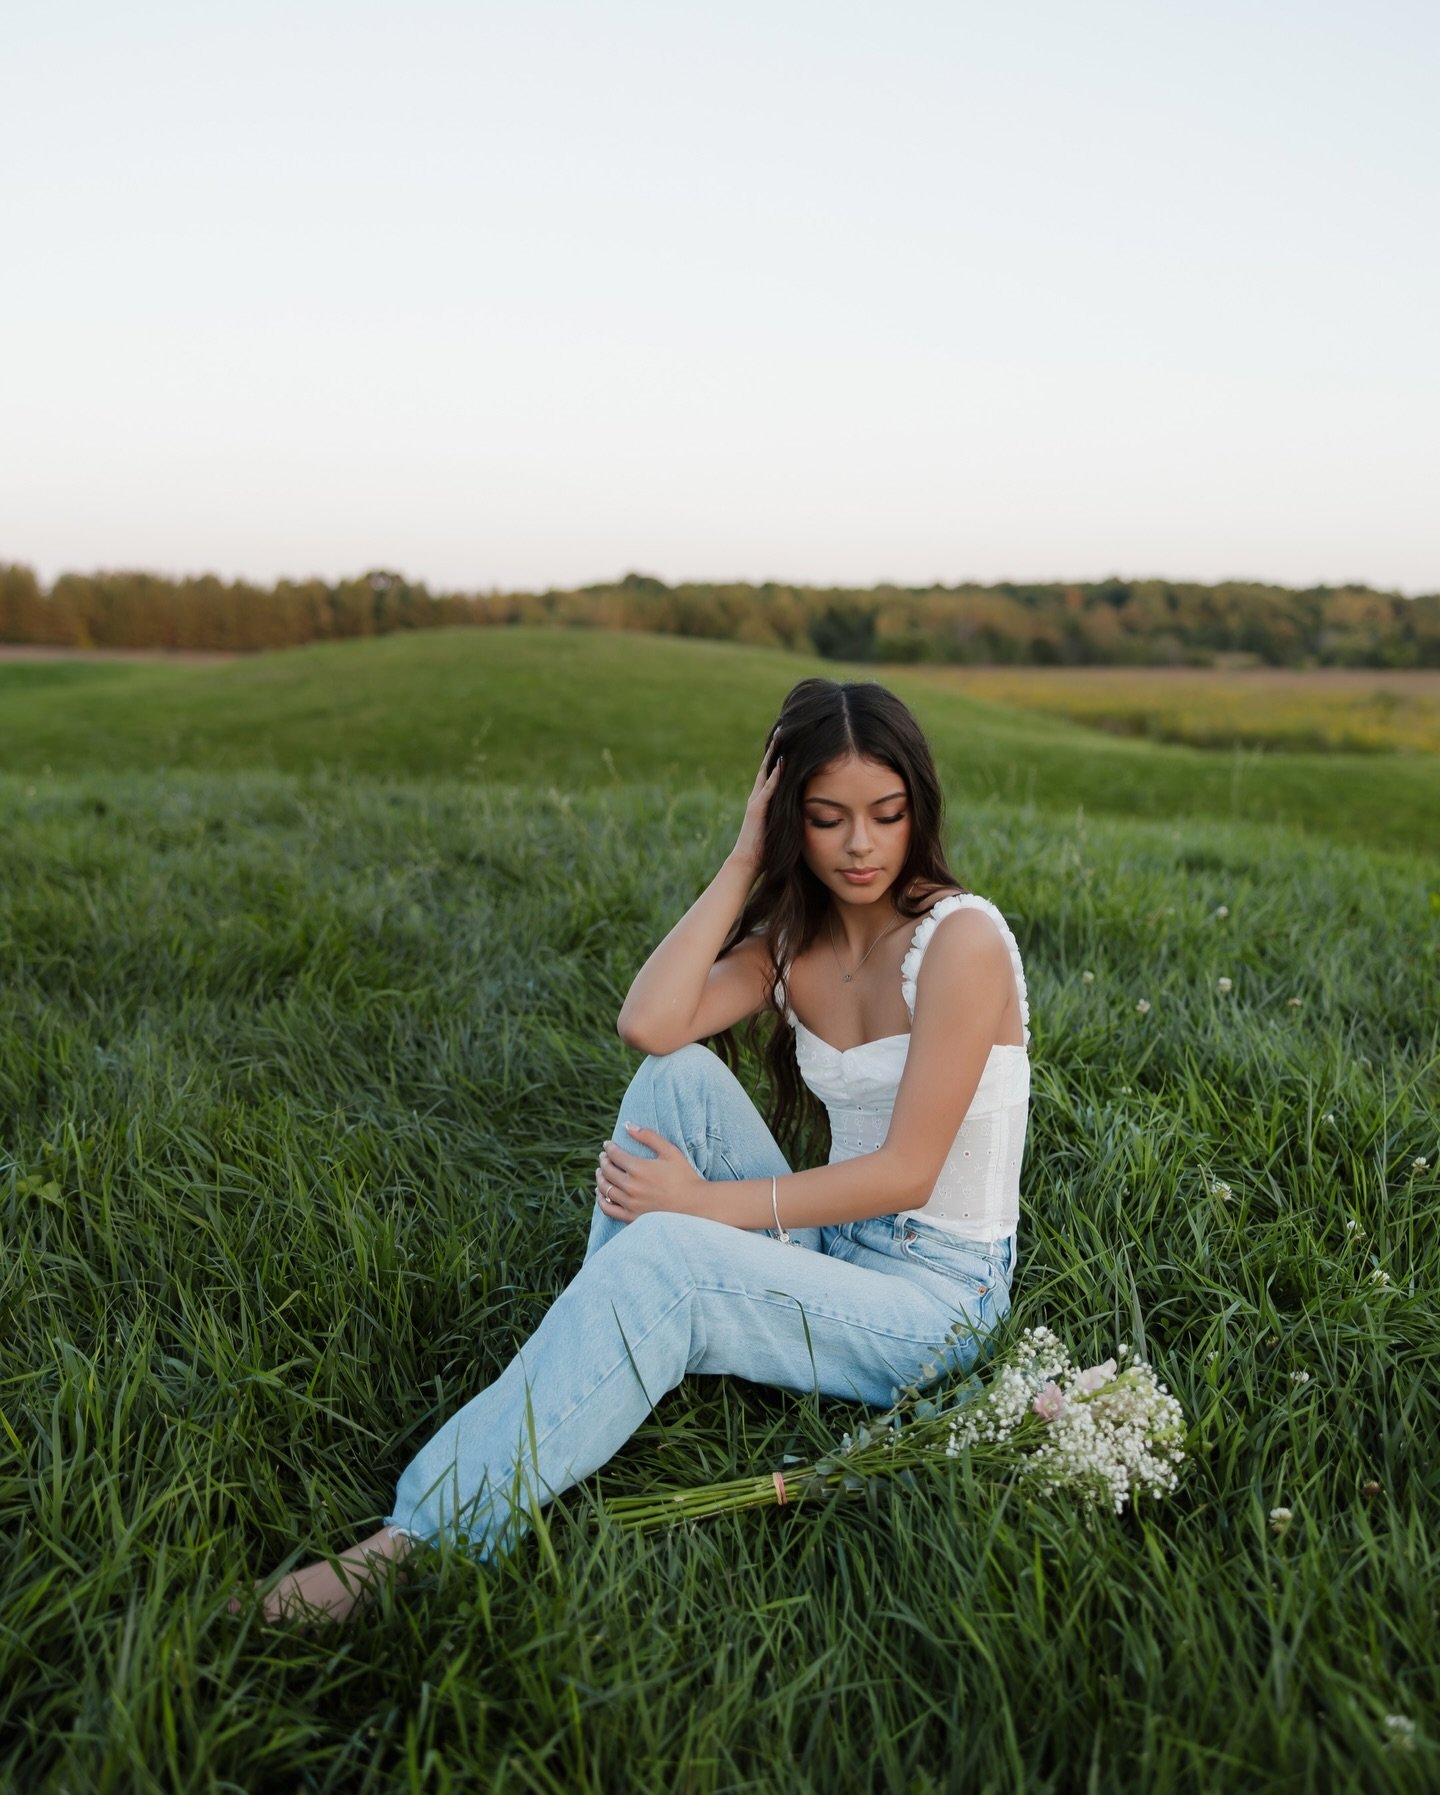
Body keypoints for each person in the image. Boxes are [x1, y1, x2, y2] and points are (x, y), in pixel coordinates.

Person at [248, 677, 1030, 1621]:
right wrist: (746, 857)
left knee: (671, 1253)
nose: (859, 845)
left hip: (936, 1297)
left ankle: (413, 1542)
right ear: (793, 817)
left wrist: (701, 1207)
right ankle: (601, 1352)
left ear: (918, 809)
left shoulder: (963, 940)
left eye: (885, 813)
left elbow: (908, 1170)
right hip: (840, 1246)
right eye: (825, 818)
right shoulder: (794, 935)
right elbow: (650, 1023)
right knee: (678, 1083)